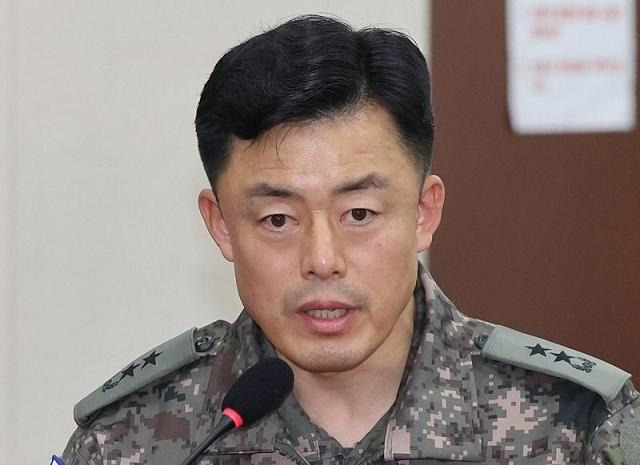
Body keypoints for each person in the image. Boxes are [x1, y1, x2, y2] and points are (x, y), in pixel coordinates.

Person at [60, 15, 639, 465]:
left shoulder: (575, 428)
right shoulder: (131, 439)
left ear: (424, 213)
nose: (322, 260)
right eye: (278, 220)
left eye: (359, 213)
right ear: (220, 225)